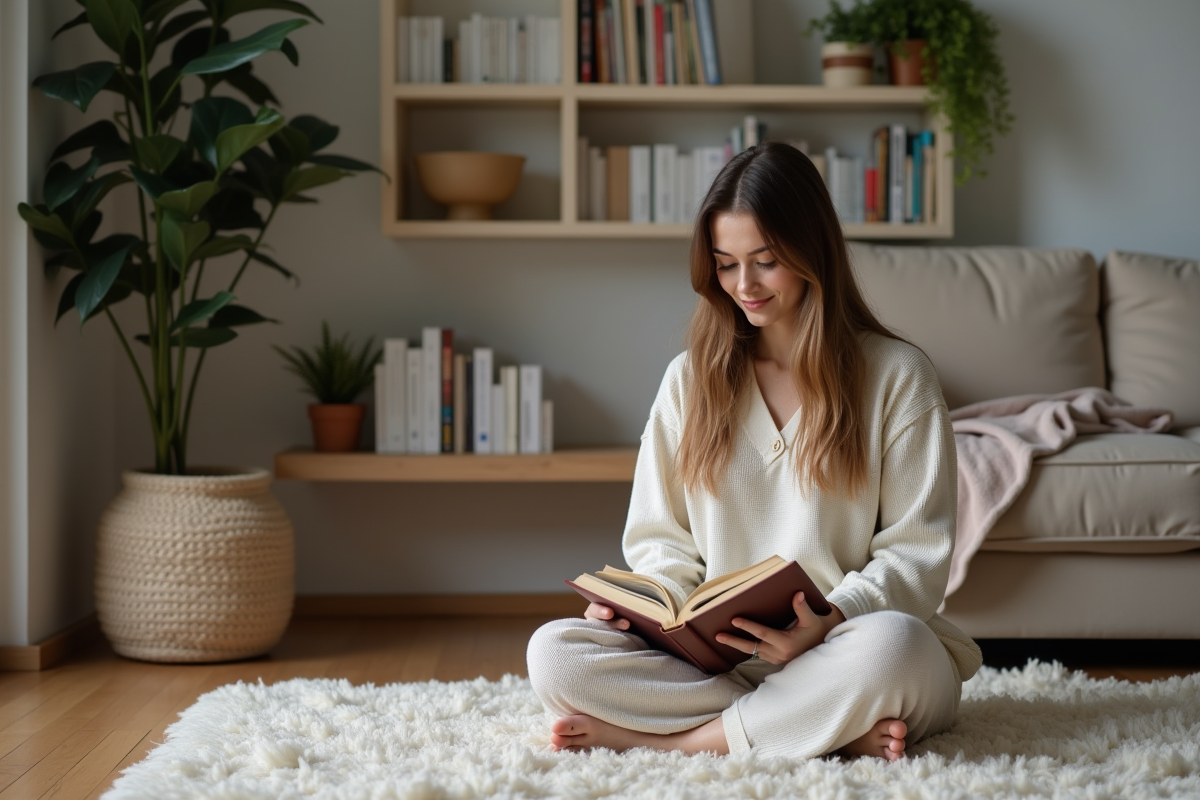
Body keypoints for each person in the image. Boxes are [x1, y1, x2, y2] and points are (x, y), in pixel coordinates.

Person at [526, 141, 982, 761]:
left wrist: (835, 617)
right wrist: (644, 611)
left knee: (895, 648)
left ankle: (684, 743)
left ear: (811, 251)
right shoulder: (690, 380)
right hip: (723, 663)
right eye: (724, 263)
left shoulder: (899, 376)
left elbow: (915, 558)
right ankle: (823, 732)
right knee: (554, 653)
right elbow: (662, 540)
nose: (744, 285)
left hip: (851, 646)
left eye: (765, 261)